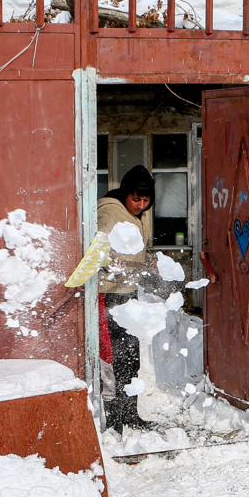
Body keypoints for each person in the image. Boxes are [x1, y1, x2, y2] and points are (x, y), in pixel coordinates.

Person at [96, 166, 155, 429]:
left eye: (146, 199)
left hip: (128, 294)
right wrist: (110, 262)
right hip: (107, 295)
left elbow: (136, 249)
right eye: (136, 199)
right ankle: (112, 420)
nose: (141, 205)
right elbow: (95, 246)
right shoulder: (109, 211)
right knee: (111, 359)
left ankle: (130, 414)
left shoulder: (142, 214)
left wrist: (149, 261)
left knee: (131, 356)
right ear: (125, 193)